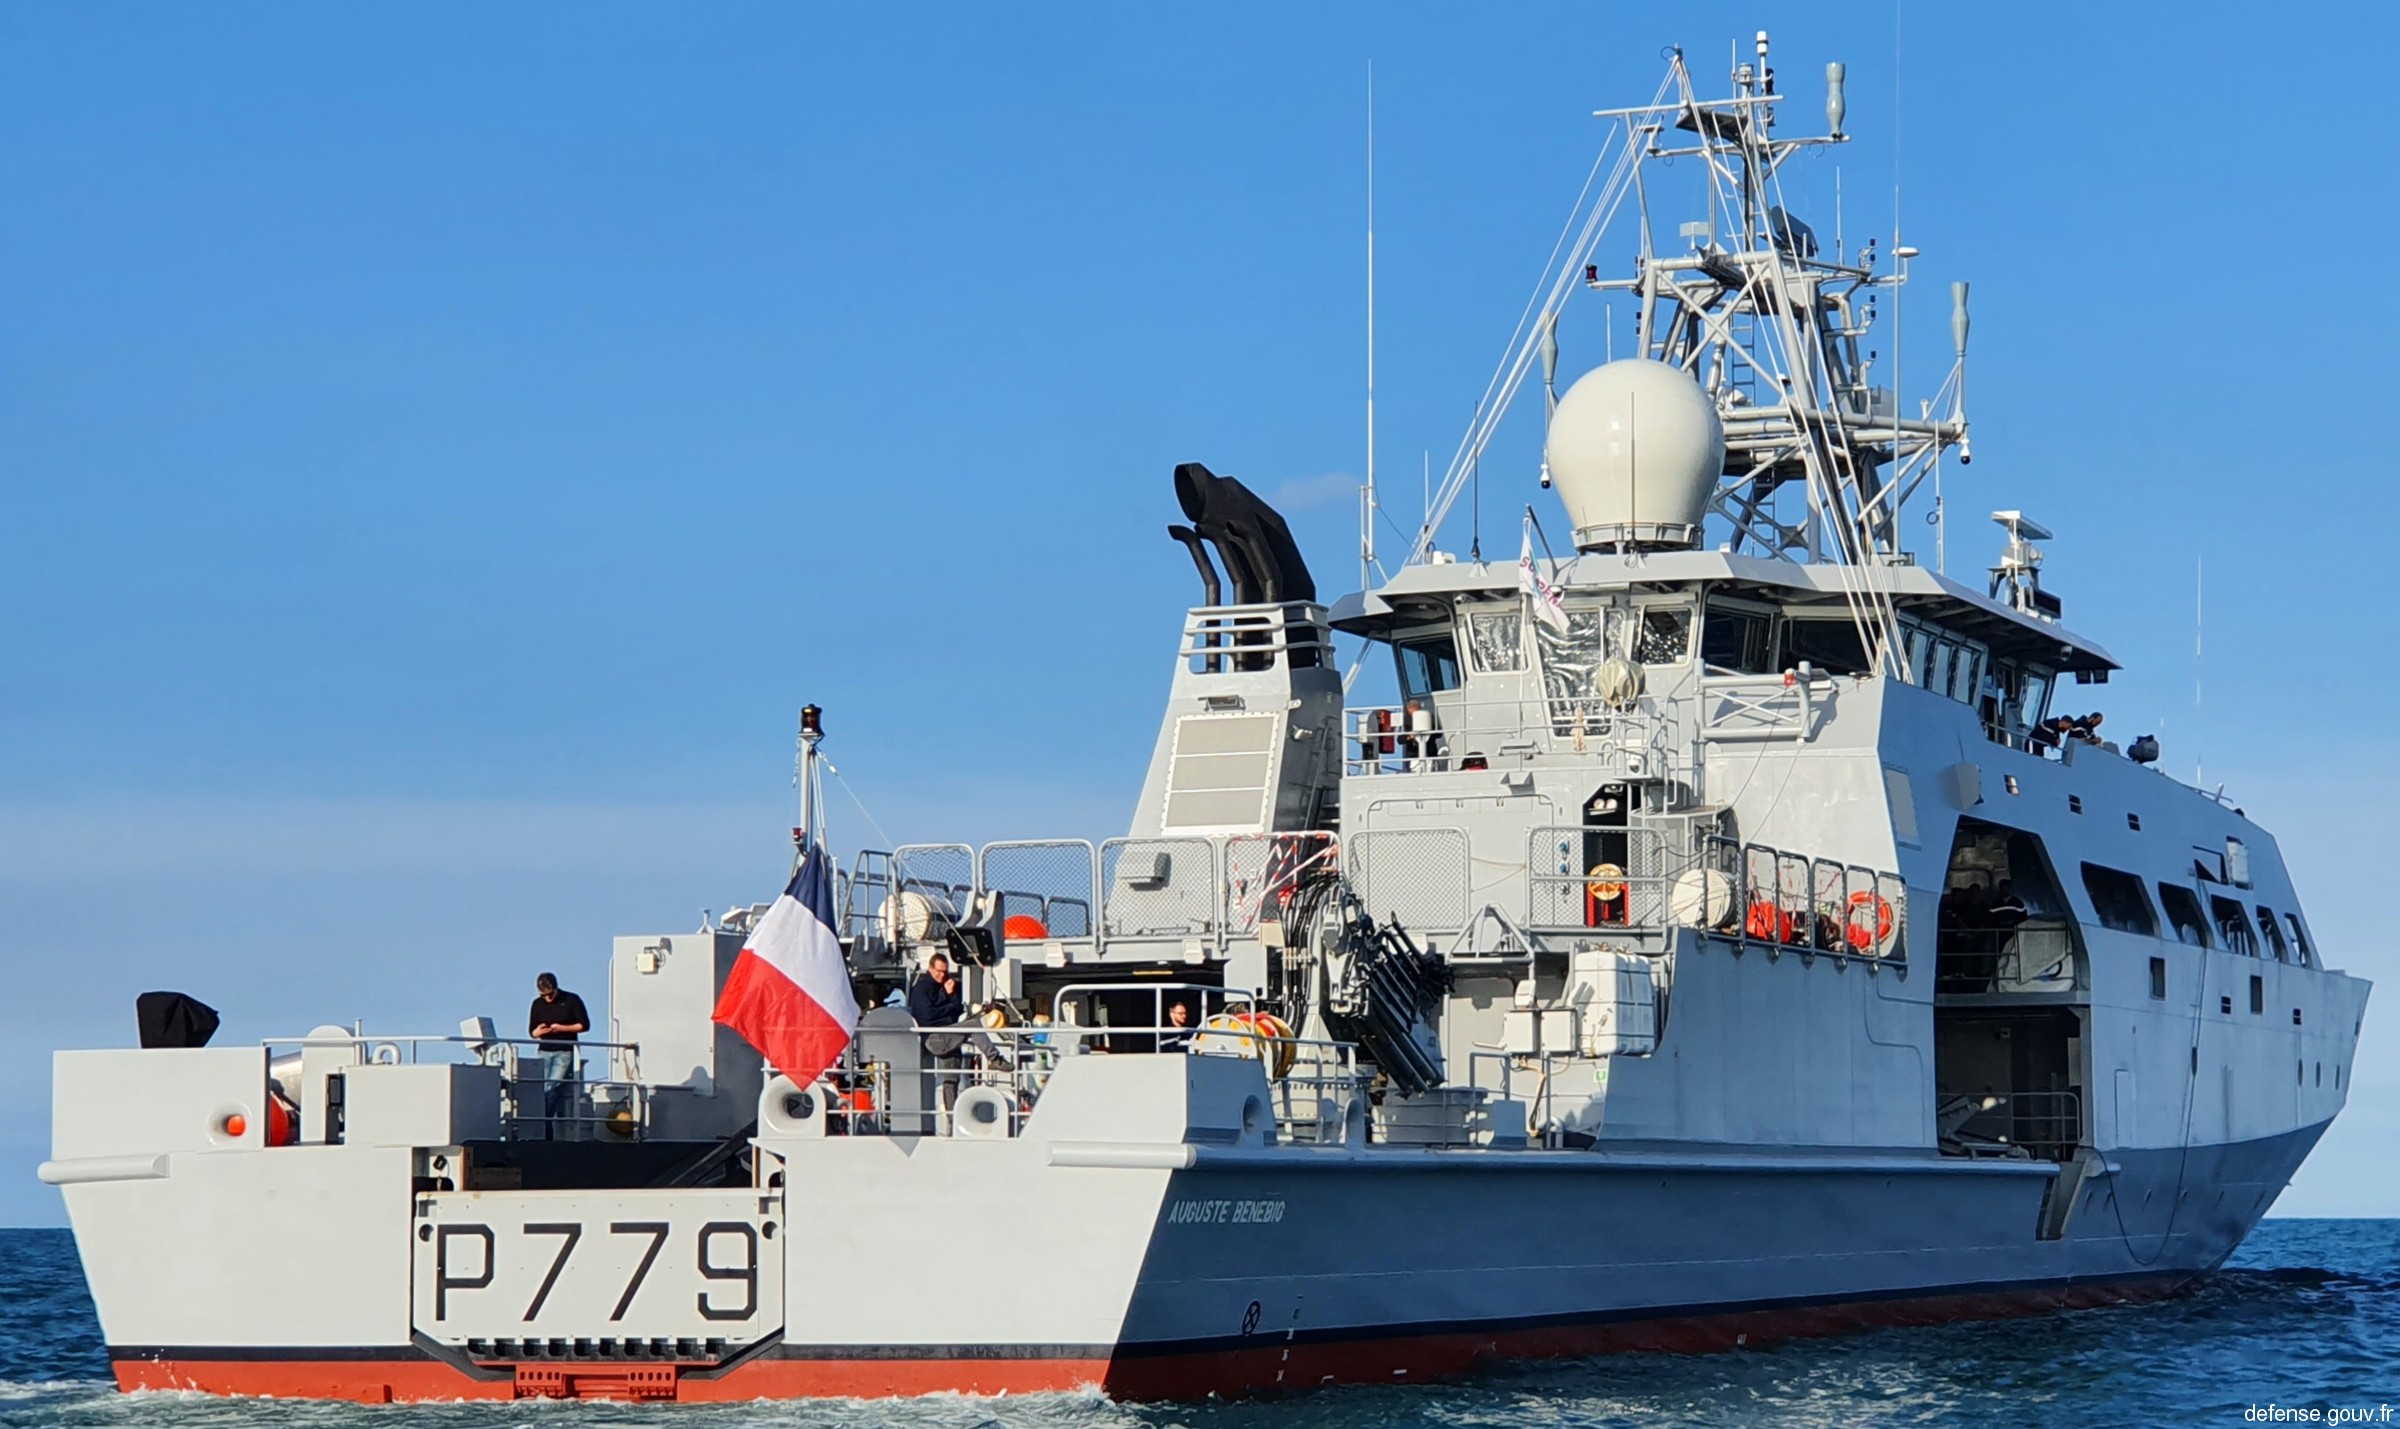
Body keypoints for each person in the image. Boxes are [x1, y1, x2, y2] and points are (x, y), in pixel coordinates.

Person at [528, 973, 590, 1138]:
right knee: (542, 1087)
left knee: (551, 1086)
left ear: (556, 989)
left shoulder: (571, 1000)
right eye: (543, 995)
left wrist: (561, 1028)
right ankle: (544, 1126)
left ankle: (545, 1125)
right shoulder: (537, 1004)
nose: (547, 998)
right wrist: (539, 1031)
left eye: (550, 994)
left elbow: (584, 1025)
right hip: (544, 1051)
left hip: (564, 1050)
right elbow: (532, 1032)